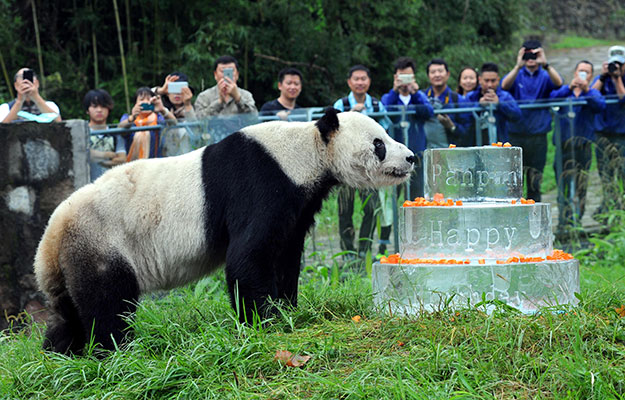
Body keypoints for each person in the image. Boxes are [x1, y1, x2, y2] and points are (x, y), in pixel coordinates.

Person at [333, 64, 389, 258]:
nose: (360, 82)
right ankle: (348, 252)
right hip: (345, 166)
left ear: (369, 81)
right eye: (356, 79)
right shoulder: (340, 105)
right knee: (345, 210)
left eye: (363, 78)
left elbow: (386, 128)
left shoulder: (376, 105)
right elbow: (333, 132)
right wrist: (353, 115)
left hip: (370, 167)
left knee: (371, 209)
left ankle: (364, 250)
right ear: (349, 82)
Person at [501, 39, 563, 202]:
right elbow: (504, 86)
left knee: (535, 180)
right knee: (514, 181)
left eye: (534, 54)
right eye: (528, 53)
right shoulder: (517, 74)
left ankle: (535, 220)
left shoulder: (544, 75)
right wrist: (517, 65)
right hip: (516, 134)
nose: (531, 58)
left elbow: (559, 83)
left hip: (538, 135)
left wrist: (545, 63)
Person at [549, 60, 605, 232]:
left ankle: (577, 220)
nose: (583, 75)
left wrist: (586, 90)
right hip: (563, 147)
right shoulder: (564, 93)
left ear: (590, 75)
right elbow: (551, 100)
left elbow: (600, 105)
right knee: (562, 186)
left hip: (583, 146)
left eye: (587, 72)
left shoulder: (593, 93)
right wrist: (569, 88)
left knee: (581, 186)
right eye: (580, 71)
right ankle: (563, 222)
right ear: (575, 73)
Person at [381, 56, 434, 199]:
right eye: (401, 76)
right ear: (395, 77)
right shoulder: (389, 97)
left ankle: (415, 222)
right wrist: (394, 90)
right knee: (391, 198)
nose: (404, 80)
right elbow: (384, 113)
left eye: (408, 76)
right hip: (392, 156)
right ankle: (392, 222)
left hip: (416, 155)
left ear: (414, 77)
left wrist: (415, 93)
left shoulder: (419, 96)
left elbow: (429, 112)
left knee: (417, 196)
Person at [590, 46, 625, 216]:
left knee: (623, 174)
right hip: (603, 134)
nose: (616, 67)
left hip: (622, 135)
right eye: (613, 64)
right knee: (606, 175)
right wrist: (604, 76)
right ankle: (610, 209)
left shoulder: (621, 79)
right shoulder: (602, 79)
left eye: (619, 64)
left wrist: (617, 78)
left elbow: (623, 98)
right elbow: (590, 95)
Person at [464, 63, 521, 146]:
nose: (489, 85)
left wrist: (499, 104)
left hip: (500, 143)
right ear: (480, 80)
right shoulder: (471, 96)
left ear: (498, 80)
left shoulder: (505, 96)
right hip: (475, 144)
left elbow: (517, 115)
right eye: (486, 80)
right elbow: (464, 118)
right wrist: (479, 106)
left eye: (493, 81)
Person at [421, 58, 471, 148]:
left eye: (440, 71)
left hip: (449, 152)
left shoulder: (457, 99)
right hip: (423, 153)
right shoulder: (420, 97)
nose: (437, 75)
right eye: (433, 72)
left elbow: (468, 132)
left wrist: (452, 126)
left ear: (448, 74)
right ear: (428, 76)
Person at [118, 87, 176, 160]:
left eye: (148, 99)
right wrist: (132, 117)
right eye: (141, 100)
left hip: (156, 163)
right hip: (135, 165)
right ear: (135, 103)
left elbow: (174, 123)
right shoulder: (128, 117)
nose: (145, 102)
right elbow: (120, 128)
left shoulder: (158, 117)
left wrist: (162, 110)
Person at [83, 89, 126, 181]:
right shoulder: (82, 133)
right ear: (87, 110)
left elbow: (122, 159)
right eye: (94, 106)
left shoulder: (115, 134)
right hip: (86, 184)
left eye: (103, 106)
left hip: (110, 183)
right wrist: (107, 155)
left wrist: (99, 159)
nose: (99, 110)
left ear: (109, 108)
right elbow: (83, 153)